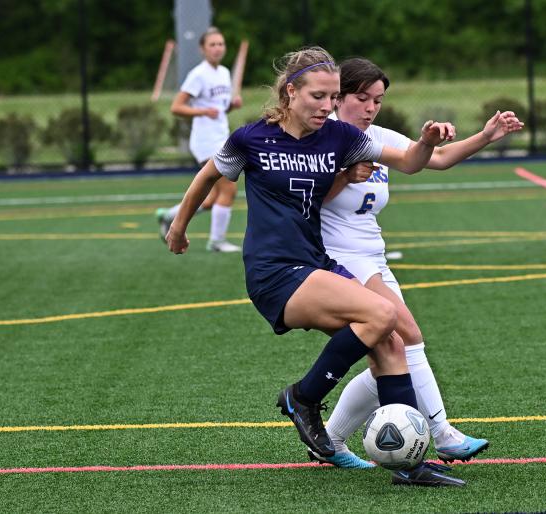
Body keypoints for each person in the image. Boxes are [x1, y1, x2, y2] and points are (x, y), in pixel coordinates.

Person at [165, 47, 465, 487]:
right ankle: (303, 398)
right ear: (291, 92)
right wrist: (179, 226)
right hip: (273, 271)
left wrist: (425, 142)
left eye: (333, 97)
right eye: (318, 97)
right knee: (382, 314)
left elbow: (411, 162)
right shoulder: (251, 138)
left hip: (314, 264)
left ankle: (410, 464)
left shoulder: (341, 138)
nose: (327, 107)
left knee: (392, 343)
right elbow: (208, 176)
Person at [306, 58, 524, 469]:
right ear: (339, 97)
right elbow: (303, 202)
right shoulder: (322, 139)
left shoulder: (377, 137)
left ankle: (330, 440)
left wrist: (485, 135)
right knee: (408, 334)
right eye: (361, 97)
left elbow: (431, 159)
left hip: (373, 256)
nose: (370, 107)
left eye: (378, 100)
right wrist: (344, 176)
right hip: (338, 258)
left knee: (391, 353)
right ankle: (442, 433)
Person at [156, 26, 244, 253]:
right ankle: (216, 241)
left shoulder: (224, 72)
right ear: (202, 49)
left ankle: (170, 216)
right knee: (229, 190)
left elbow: (218, 110)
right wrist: (202, 112)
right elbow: (177, 107)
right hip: (206, 141)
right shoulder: (198, 74)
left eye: (220, 44)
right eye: (212, 45)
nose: (217, 48)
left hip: (221, 138)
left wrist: (230, 107)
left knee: (211, 198)